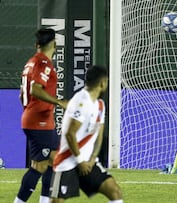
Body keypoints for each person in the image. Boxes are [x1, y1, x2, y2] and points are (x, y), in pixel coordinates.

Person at [49, 65, 123, 203]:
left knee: (114, 191)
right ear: (103, 83)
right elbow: (70, 134)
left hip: (88, 161)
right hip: (68, 160)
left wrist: (92, 158)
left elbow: (99, 135)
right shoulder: (81, 102)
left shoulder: (100, 105)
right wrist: (79, 161)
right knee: (56, 202)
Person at [15, 28, 67, 203]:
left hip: (36, 119)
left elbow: (22, 94)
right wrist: (59, 102)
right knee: (40, 166)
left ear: (36, 44)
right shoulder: (43, 63)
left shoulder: (31, 62)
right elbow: (35, 89)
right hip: (40, 122)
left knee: (53, 162)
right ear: (55, 43)